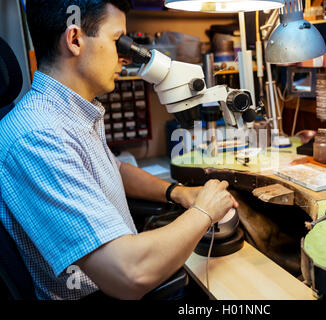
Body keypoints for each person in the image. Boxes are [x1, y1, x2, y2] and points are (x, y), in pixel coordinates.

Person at [0, 0, 238, 300]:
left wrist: (178, 192)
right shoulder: (39, 135)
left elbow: (114, 170)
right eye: (117, 41)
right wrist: (205, 211)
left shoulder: (69, 113)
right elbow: (129, 274)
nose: (125, 57)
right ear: (75, 40)